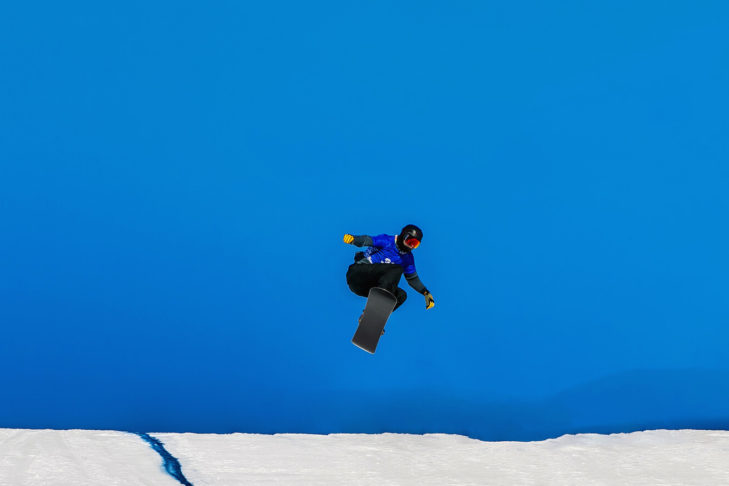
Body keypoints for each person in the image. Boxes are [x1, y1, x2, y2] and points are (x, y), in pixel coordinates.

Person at [343, 224, 435, 312]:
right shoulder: (387, 241)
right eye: (410, 242)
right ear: (404, 236)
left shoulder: (408, 259)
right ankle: (379, 300)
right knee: (397, 269)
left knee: (400, 296)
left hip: (366, 287)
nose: (411, 246)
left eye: (415, 244)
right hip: (358, 274)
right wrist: (353, 239)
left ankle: (374, 318)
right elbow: (367, 240)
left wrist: (425, 293)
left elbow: (413, 279)